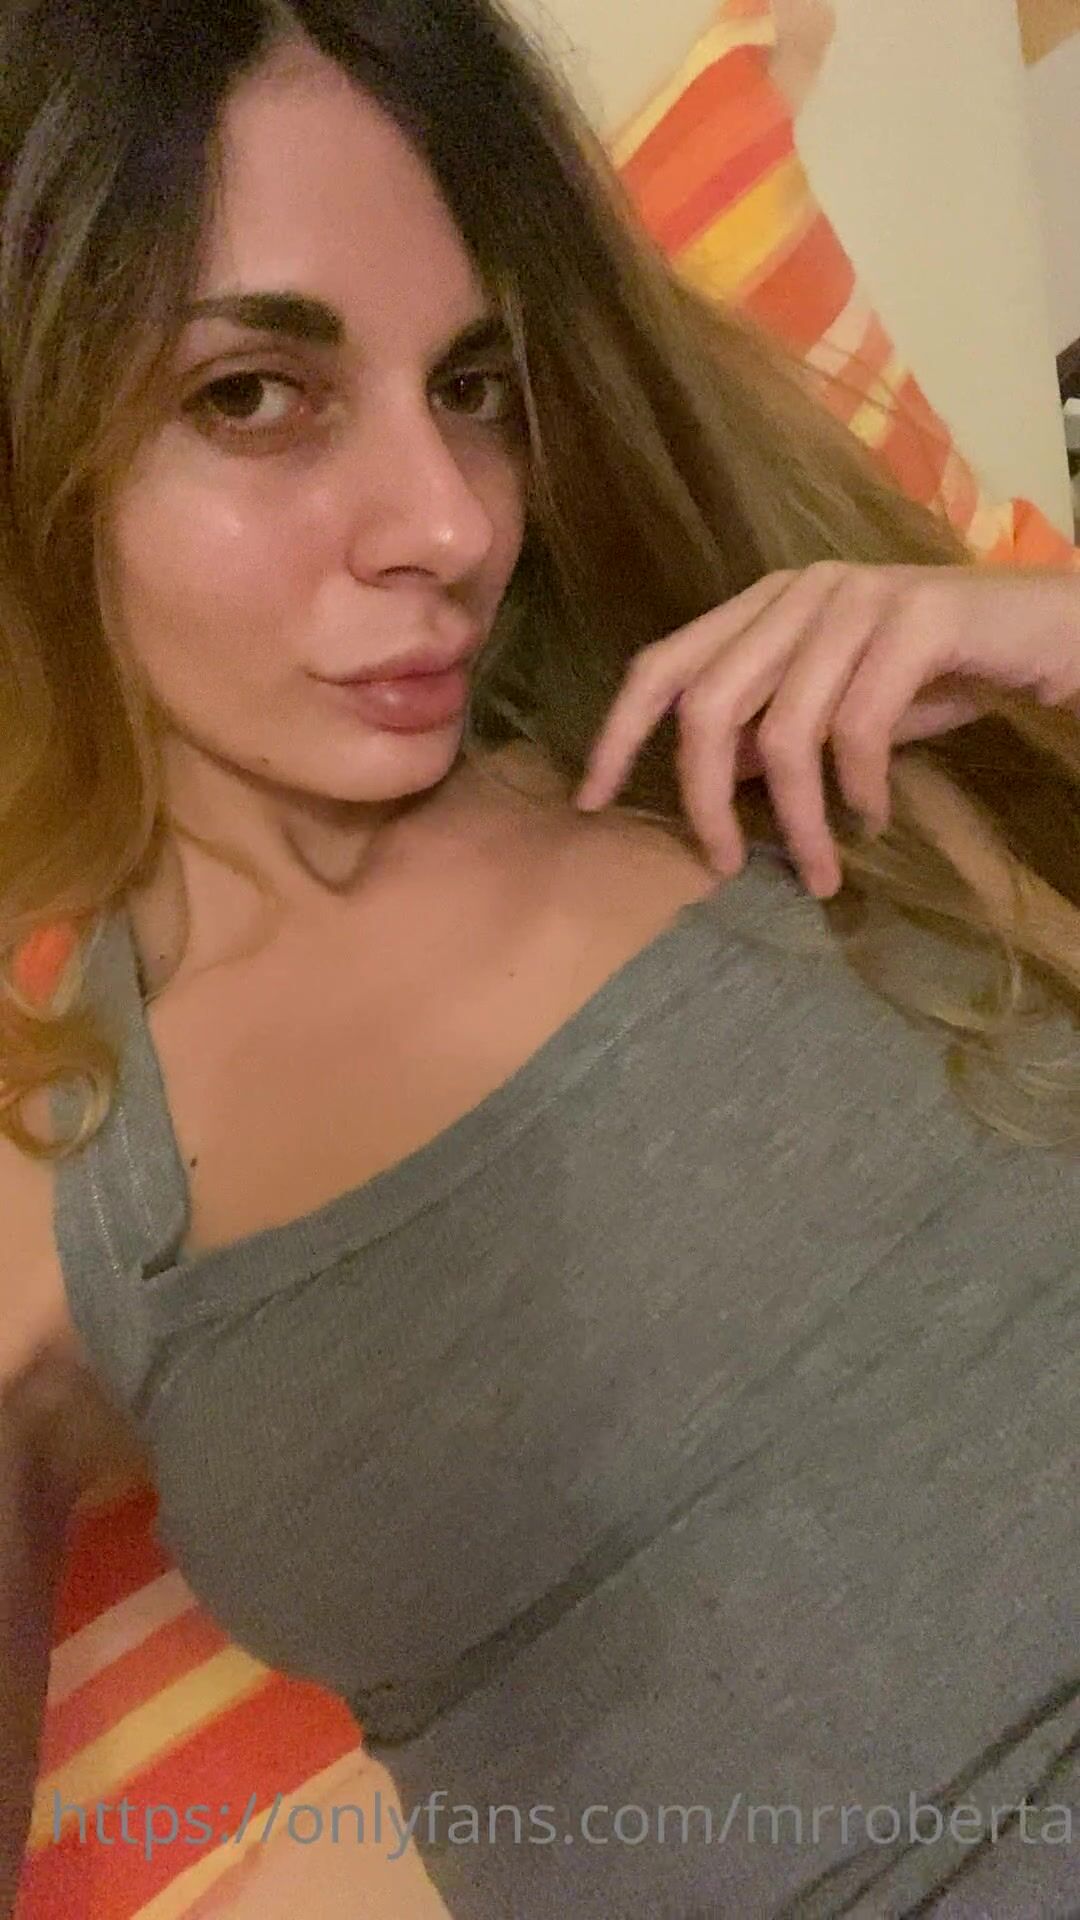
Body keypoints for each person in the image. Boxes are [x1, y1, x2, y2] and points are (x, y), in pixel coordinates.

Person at [2, 2, 1080, 1914]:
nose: (447, 521)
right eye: (254, 394)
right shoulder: (59, 1194)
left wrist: (1057, 647)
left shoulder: (771, 742)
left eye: (476, 383)